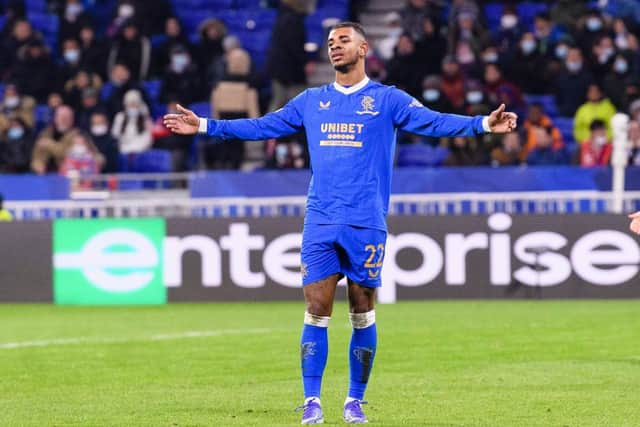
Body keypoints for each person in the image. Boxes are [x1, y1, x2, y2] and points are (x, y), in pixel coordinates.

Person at [163, 22, 517, 425]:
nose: (334, 47)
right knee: (316, 308)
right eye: (330, 42)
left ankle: (354, 400)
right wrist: (207, 125)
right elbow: (262, 126)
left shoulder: (387, 100)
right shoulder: (311, 100)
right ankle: (312, 402)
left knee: (362, 308)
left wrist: (484, 125)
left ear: (363, 48)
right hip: (321, 219)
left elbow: (434, 122)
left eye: (343, 41)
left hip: (365, 221)